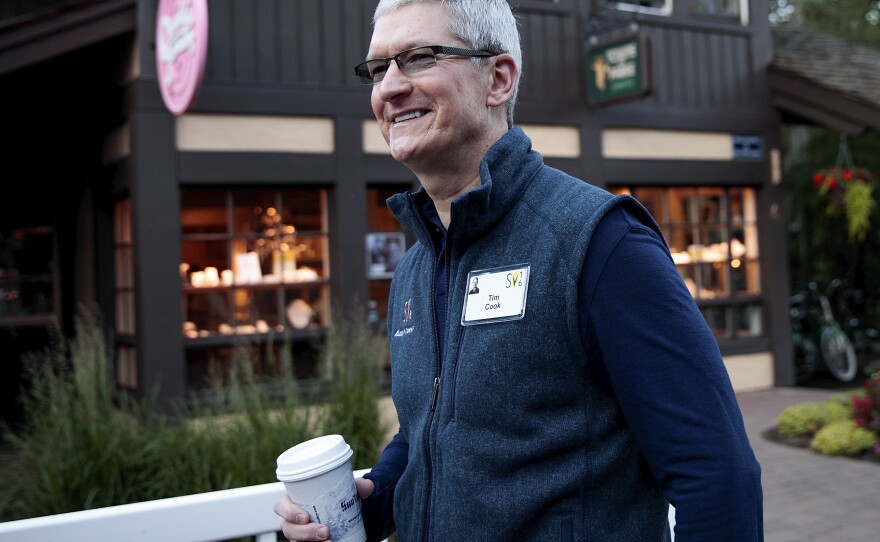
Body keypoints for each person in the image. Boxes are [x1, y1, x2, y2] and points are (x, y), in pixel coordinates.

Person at [275, 0, 763, 540]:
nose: (388, 87)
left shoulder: (600, 242)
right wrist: (375, 500)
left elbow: (716, 475)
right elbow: (432, 429)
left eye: (418, 57)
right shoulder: (416, 268)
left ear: (498, 79)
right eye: (378, 67)